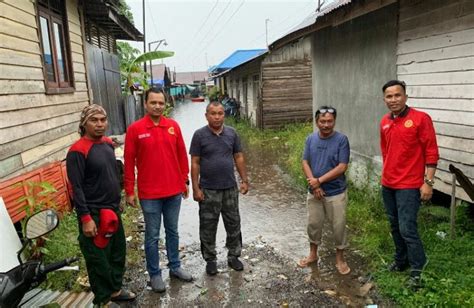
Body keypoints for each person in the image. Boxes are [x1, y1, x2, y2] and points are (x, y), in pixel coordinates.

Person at [124, 87, 192, 293]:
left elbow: (181, 155)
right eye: (153, 102)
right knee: (152, 235)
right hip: (149, 194)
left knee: (173, 231)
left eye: (161, 103)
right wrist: (129, 190)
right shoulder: (135, 129)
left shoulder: (172, 126)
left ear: (165, 104)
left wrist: (184, 181)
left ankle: (175, 266)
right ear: (145, 104)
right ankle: (154, 274)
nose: (157, 106)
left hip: (173, 191)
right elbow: (128, 162)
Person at [66, 104, 136, 306]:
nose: (99, 124)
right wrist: (86, 219)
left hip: (112, 210)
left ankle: (115, 290)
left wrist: (119, 200)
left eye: (102, 120)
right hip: (94, 214)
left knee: (117, 252)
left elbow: (111, 175)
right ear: (84, 123)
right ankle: (103, 299)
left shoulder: (106, 144)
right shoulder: (78, 151)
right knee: (98, 259)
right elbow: (76, 188)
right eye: (94, 120)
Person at [380, 80, 439, 289]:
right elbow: (386, 151)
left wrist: (428, 183)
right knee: (394, 225)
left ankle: (417, 269)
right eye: (389, 96)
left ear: (405, 96)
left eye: (397, 95)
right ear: (384, 99)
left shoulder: (420, 119)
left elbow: (431, 152)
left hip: (409, 185)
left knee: (407, 228)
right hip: (388, 184)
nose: (393, 100)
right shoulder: (385, 122)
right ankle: (401, 260)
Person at [190, 101, 249, 276]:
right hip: (208, 189)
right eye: (213, 113)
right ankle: (210, 260)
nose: (217, 117)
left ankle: (233, 256)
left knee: (233, 223)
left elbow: (238, 157)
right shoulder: (199, 135)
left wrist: (244, 180)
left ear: (224, 114)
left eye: (220, 113)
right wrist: (195, 188)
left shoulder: (232, 133)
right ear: (206, 115)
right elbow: (195, 162)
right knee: (208, 225)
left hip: (230, 188)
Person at [298, 106, 351, 275]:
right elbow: (305, 162)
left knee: (338, 226)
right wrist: (315, 185)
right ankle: (313, 254)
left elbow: (342, 166)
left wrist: (319, 181)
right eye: (322, 121)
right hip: (314, 192)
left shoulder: (342, 140)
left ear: (334, 121)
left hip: (336, 192)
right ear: (316, 122)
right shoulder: (310, 139)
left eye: (329, 121)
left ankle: (340, 258)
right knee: (313, 224)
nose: (326, 125)